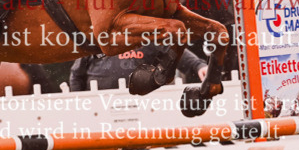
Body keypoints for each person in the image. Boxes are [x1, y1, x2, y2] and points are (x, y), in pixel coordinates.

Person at [68, 46, 208, 91]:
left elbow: (173, 51)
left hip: (143, 106)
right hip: (100, 108)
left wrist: (199, 66)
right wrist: (79, 100)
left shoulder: (145, 35)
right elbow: (76, 74)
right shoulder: (96, 39)